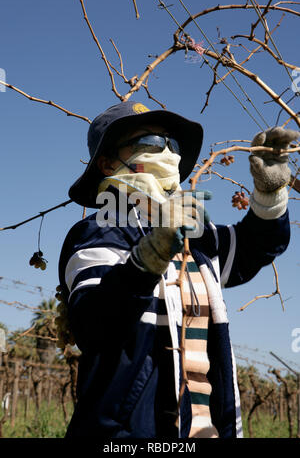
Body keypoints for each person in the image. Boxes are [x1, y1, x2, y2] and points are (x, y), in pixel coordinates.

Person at [57, 101, 298, 439]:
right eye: (152, 143)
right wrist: (151, 254)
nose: (168, 153)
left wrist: (269, 195)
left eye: (173, 145)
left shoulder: (195, 239)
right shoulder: (100, 231)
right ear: (108, 163)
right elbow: (94, 322)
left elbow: (253, 247)